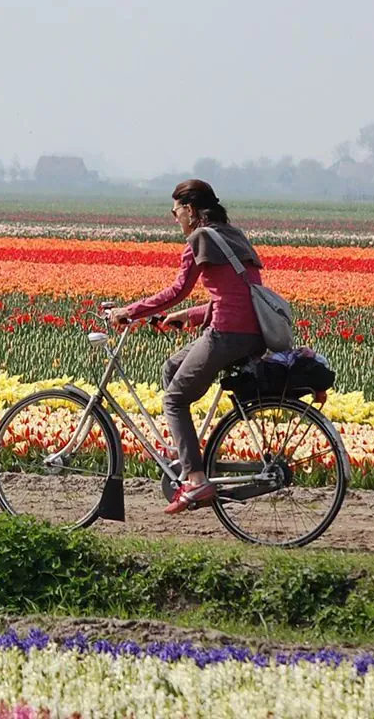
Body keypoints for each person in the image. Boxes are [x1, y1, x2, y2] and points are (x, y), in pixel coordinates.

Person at [110, 179, 267, 514]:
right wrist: (190, 316)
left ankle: (195, 480)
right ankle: (186, 454)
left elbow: (177, 290)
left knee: (174, 399)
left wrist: (129, 311)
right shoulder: (234, 235)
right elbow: (237, 295)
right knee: (171, 367)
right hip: (254, 334)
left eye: (176, 211)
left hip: (226, 335)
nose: (175, 218)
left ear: (191, 210)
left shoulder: (200, 238)